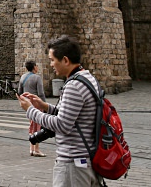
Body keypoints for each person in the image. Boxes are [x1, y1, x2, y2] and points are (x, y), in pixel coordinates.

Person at [18, 35, 100, 186]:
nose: (51, 64)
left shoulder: (73, 86)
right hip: (84, 158)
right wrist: (45, 106)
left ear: (65, 60)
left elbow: (62, 124)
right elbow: (73, 115)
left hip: (73, 163)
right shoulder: (87, 78)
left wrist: (31, 110)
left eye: (52, 59)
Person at [18, 60, 46, 157]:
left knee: (32, 126)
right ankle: (36, 150)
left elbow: (19, 91)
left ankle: (31, 148)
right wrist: (44, 105)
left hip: (28, 105)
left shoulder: (23, 77)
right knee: (37, 127)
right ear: (34, 67)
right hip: (37, 104)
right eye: (36, 66)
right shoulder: (37, 78)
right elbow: (41, 93)